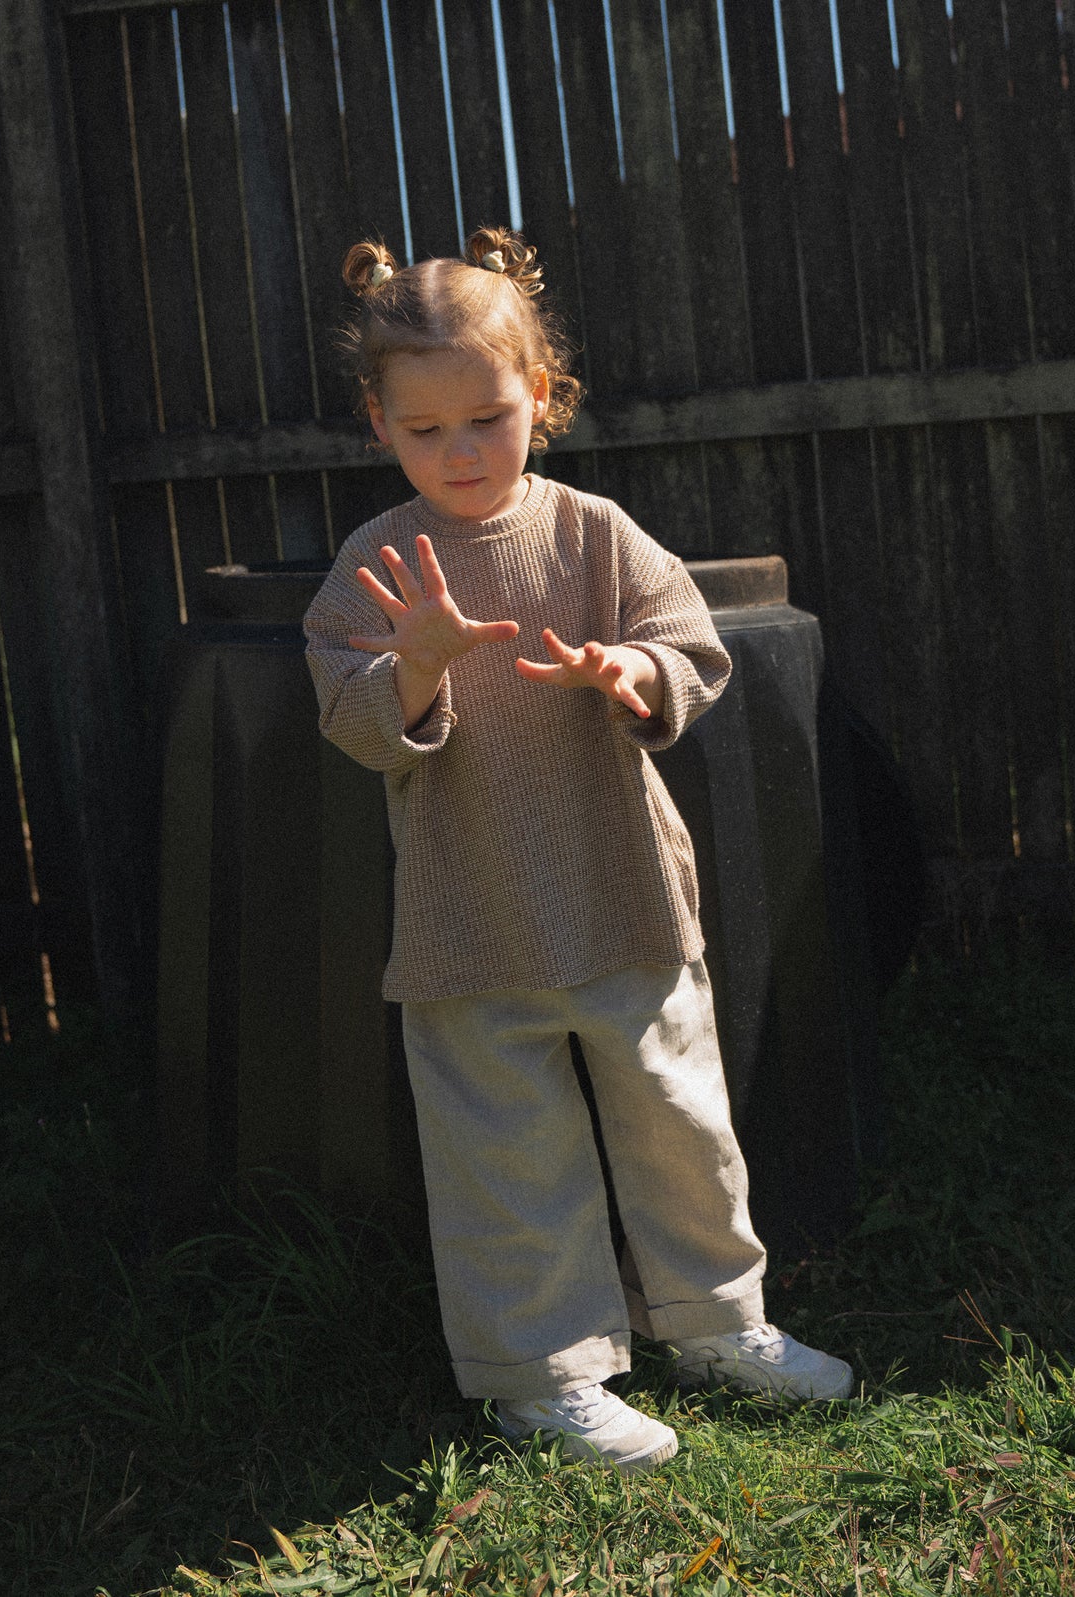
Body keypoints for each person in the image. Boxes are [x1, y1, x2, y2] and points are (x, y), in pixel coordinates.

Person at [303, 226, 852, 1473]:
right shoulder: (377, 563)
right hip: (470, 918)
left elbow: (693, 645)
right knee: (507, 1156)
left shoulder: (596, 532)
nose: (459, 451)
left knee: (678, 1121)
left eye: (486, 418)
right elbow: (346, 714)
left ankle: (719, 1324)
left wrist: (630, 667)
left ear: (539, 401)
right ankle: (542, 1376)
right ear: (377, 422)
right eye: (424, 428)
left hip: (622, 897)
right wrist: (417, 669)